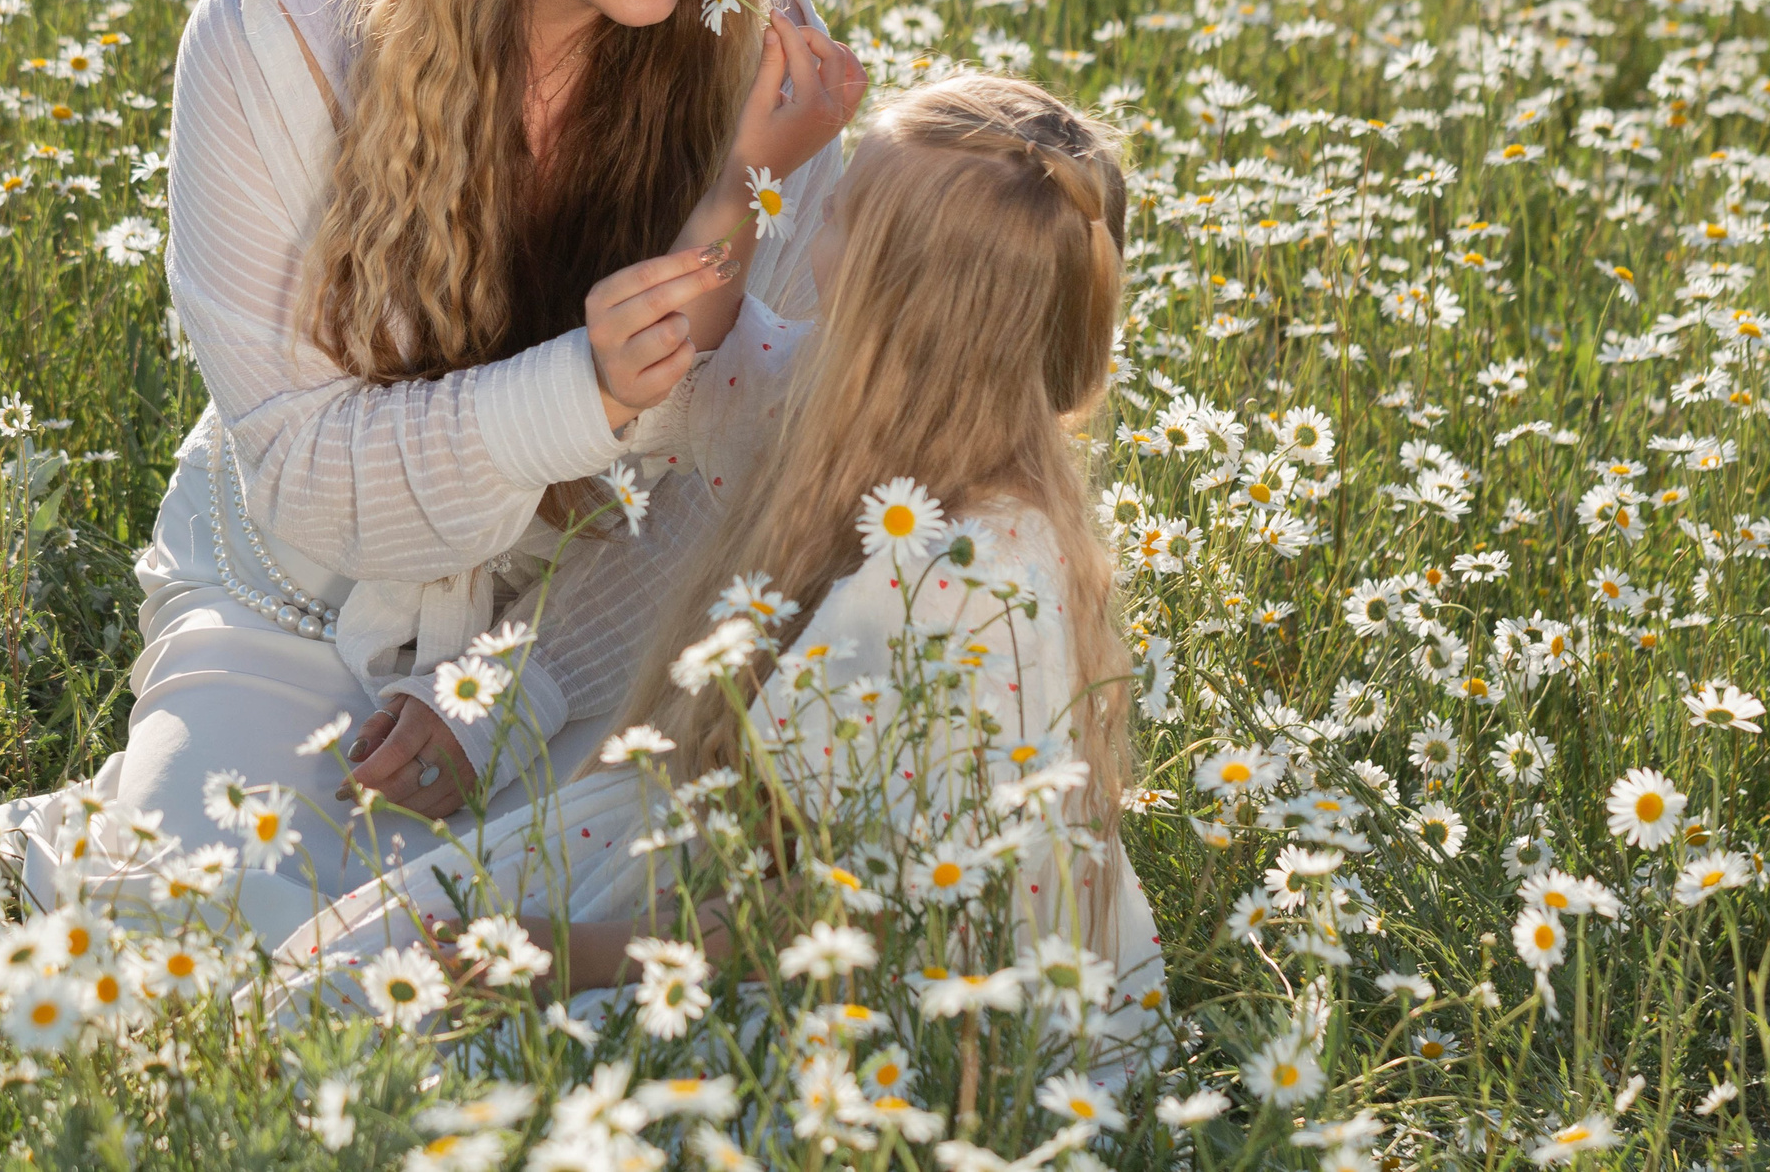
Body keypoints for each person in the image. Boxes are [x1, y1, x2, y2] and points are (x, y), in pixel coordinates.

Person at [0, 0, 867, 938]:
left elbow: (751, 458)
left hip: (596, 636)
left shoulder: (760, 40)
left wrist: (499, 686)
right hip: (302, 596)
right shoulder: (283, 32)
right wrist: (576, 386)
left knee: (620, 925)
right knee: (196, 932)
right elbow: (300, 457)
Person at [271, 72, 1167, 1078]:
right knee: (348, 976)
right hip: (731, 871)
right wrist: (746, 173)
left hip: (859, 996)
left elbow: (850, 919)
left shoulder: (961, 578)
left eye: (835, 217)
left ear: (893, 296)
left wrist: (559, 956)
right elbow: (700, 357)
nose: (808, 232)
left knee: (424, 1044)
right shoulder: (832, 402)